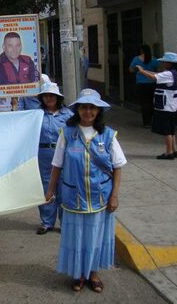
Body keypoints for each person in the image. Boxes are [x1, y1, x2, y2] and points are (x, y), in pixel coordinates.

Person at [45, 88, 126, 293]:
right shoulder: (67, 133)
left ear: (98, 111)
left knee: (96, 238)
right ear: (77, 110)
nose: (87, 111)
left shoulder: (108, 135)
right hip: (74, 198)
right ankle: (79, 274)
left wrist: (114, 196)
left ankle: (93, 273)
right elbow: (56, 165)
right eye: (84, 107)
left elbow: (118, 166)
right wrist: (50, 190)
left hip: (101, 199)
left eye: (92, 107)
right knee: (77, 237)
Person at [35, 83, 73, 235]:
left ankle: (65, 223)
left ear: (58, 98)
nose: (49, 98)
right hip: (43, 155)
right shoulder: (36, 115)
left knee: (64, 188)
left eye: (52, 96)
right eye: (46, 96)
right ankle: (47, 222)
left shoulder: (69, 116)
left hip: (63, 155)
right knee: (45, 188)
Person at [135, 52, 177, 160]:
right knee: (171, 129)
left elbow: (154, 77)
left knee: (167, 130)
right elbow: (156, 74)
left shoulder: (169, 74)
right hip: (172, 105)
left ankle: (169, 152)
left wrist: (142, 71)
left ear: (169, 63)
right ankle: (174, 150)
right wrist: (145, 71)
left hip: (165, 105)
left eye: (164, 61)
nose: (163, 63)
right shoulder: (174, 73)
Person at [129, 45, 160, 128]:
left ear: (141, 50)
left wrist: (137, 69)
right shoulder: (154, 59)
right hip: (152, 83)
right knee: (152, 102)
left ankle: (147, 122)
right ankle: (154, 120)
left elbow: (131, 70)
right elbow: (158, 70)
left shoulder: (136, 59)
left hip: (141, 83)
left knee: (144, 103)